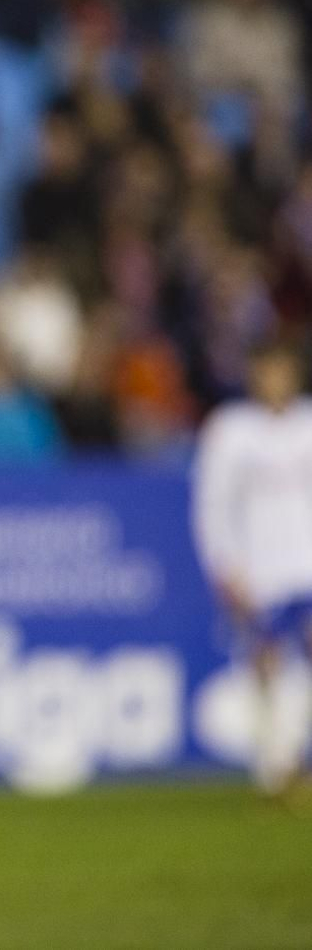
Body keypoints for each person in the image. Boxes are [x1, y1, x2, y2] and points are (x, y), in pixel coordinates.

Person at [193, 339, 312, 799]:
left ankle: (293, 758)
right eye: (267, 370)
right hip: (261, 570)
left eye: (283, 369)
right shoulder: (230, 431)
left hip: (307, 563)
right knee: (267, 663)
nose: (275, 380)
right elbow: (212, 506)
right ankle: (274, 764)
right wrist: (224, 564)